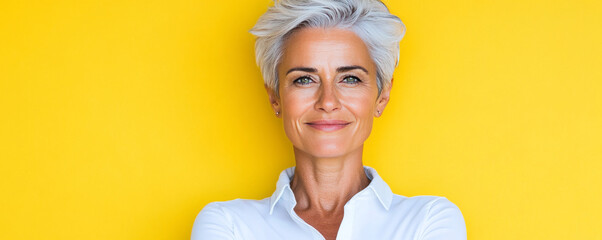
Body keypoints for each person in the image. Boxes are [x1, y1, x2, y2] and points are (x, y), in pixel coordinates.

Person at [191, 0, 466, 239]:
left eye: (350, 78)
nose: (328, 102)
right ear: (275, 97)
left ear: (381, 96)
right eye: (304, 79)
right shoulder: (228, 224)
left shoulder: (429, 220)